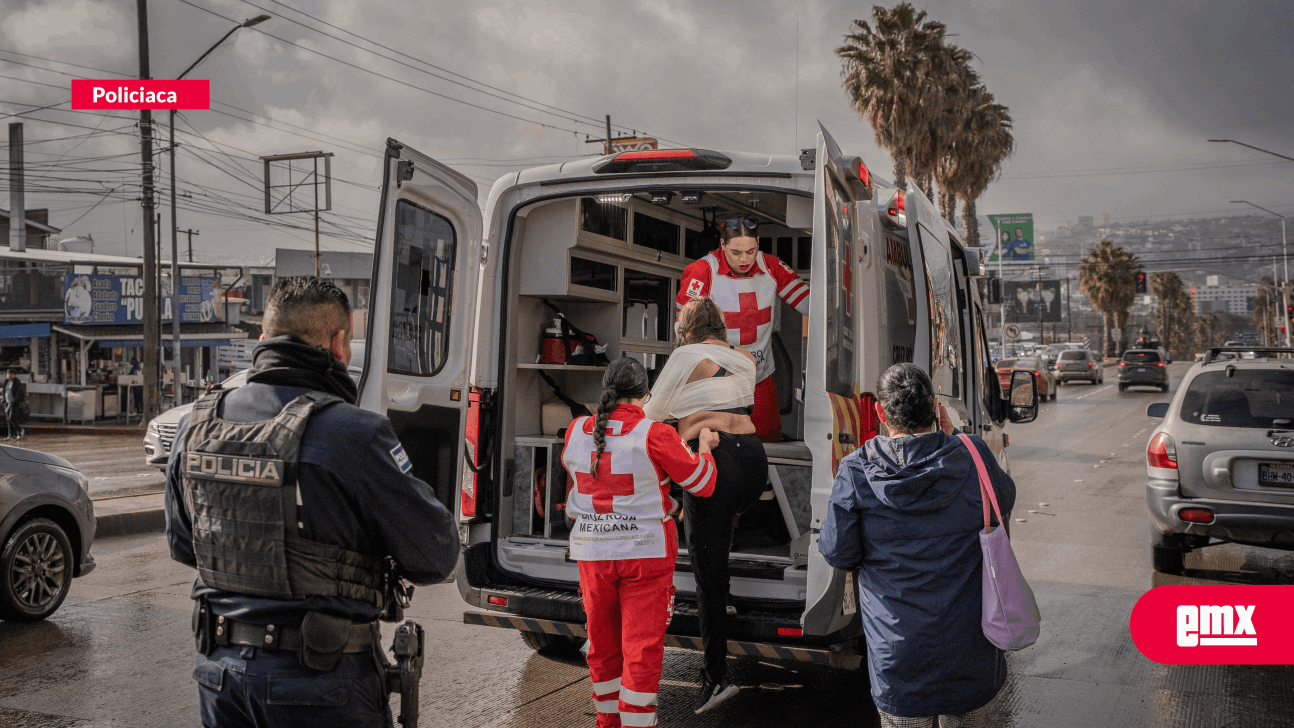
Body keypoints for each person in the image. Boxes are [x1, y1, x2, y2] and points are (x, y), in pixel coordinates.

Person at [164, 276, 459, 728]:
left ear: (263, 341)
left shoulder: (196, 426)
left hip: (220, 677)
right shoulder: (354, 434)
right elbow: (435, 556)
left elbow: (185, 546)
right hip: (321, 683)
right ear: (339, 344)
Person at [818, 363, 1017, 728]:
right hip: (968, 646)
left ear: (880, 412)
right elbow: (1001, 504)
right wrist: (954, 435)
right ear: (935, 409)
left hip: (898, 650)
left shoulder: (856, 470)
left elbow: (839, 552)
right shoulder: (972, 456)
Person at [563, 356, 719, 728]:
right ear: (645, 394)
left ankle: (607, 722)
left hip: (594, 555)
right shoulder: (656, 434)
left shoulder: (576, 430)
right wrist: (707, 446)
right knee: (641, 651)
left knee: (602, 647)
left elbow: (578, 493)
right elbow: (702, 483)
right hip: (644, 556)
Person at [644, 297, 768, 714]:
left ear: (687, 327)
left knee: (706, 571)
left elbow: (650, 414)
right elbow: (742, 405)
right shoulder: (746, 357)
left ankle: (717, 678)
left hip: (716, 458)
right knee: (722, 534)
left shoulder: (685, 356)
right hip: (752, 460)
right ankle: (726, 599)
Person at [676, 217, 810, 442]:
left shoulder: (771, 266)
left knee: (767, 443)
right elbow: (683, 327)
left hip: (759, 378)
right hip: (716, 381)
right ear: (722, 245)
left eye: (751, 251)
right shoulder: (702, 270)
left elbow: (811, 304)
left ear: (758, 243)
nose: (744, 259)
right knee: (719, 445)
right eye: (736, 252)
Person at [4, 369, 27, 441]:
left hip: (14, 403)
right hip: (7, 403)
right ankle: (10, 435)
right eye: (8, 374)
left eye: (11, 374)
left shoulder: (17, 383)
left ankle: (20, 431)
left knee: (12, 418)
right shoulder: (6, 382)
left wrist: (15, 401)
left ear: (14, 375)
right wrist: (3, 401)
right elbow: (4, 392)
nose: (9, 375)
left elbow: (19, 393)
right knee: (8, 419)